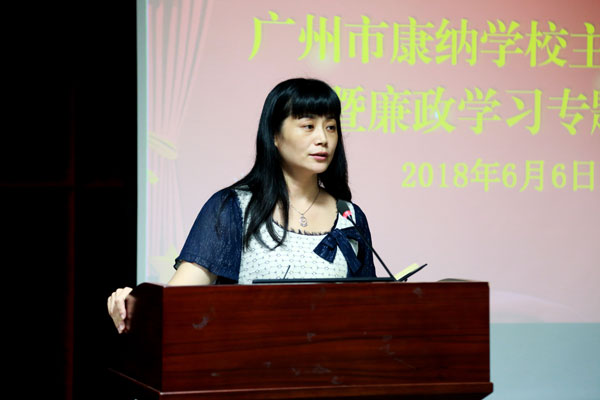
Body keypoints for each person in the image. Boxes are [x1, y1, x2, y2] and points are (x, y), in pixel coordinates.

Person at [107, 78, 376, 333]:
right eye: (308, 126)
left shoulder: (350, 216)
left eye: (330, 127)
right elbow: (175, 301)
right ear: (275, 135)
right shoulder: (233, 208)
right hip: (250, 359)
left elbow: (371, 310)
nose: (323, 139)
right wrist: (135, 302)